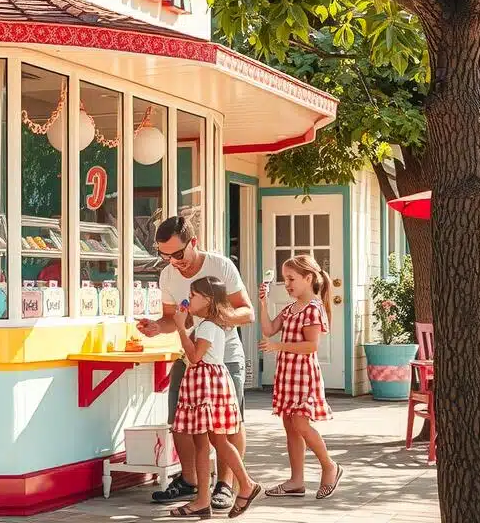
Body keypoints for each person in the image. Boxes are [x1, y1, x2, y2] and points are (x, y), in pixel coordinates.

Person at [138, 216, 254, 511]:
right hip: (191, 358)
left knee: (226, 425)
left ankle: (226, 485)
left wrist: (214, 318)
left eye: (178, 254)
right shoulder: (168, 276)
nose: (173, 261)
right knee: (181, 421)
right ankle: (190, 482)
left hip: (223, 356)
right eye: (165, 255)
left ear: (193, 243)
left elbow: (247, 312)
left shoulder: (220, 266)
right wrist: (156, 327)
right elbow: (172, 319)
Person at [169, 277, 262, 518]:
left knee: (217, 441)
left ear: (208, 299)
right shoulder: (204, 325)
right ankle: (202, 499)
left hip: (207, 385)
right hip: (204, 384)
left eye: (194, 295)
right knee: (204, 443)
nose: (189, 300)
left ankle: (246, 484)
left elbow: (195, 358)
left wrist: (180, 327)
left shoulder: (209, 326)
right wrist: (185, 325)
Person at [260, 254, 343, 500]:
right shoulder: (291, 308)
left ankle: (329, 466)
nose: (287, 284)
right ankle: (296, 481)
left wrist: (277, 347)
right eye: (285, 279)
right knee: (290, 426)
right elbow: (268, 329)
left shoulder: (313, 309)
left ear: (308, 278)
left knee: (300, 424)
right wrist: (263, 303)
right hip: (287, 373)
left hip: (303, 374)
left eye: (291, 278)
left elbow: (311, 346)